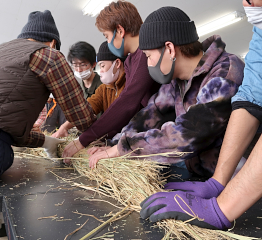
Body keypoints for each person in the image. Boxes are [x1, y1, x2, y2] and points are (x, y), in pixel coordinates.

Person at [139, 0, 262, 231]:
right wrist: (217, 182)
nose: (247, 3)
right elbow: (251, 98)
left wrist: (221, 209)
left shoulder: (226, 68)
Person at [0, 10, 95, 240]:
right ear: (53, 42)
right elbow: (82, 116)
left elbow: (0, 120)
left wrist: (46, 140)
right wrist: (97, 139)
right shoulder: (48, 55)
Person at [88, 6, 245, 178]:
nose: (148, 64)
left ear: (169, 49)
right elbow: (150, 114)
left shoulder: (225, 72)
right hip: (201, 176)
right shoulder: (176, 82)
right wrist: (114, 143)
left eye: (148, 56)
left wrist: (122, 149)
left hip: (244, 184)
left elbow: (188, 134)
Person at [58, 1, 161, 159]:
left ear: (119, 30)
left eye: (106, 36)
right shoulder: (130, 61)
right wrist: (110, 142)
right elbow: (130, 111)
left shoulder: (144, 54)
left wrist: (83, 140)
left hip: (163, 134)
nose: (108, 42)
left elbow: (127, 102)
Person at [52, 41, 126, 137]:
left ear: (117, 63)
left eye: (102, 66)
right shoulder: (104, 89)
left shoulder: (128, 86)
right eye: (75, 65)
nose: (78, 69)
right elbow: (86, 110)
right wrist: (64, 127)